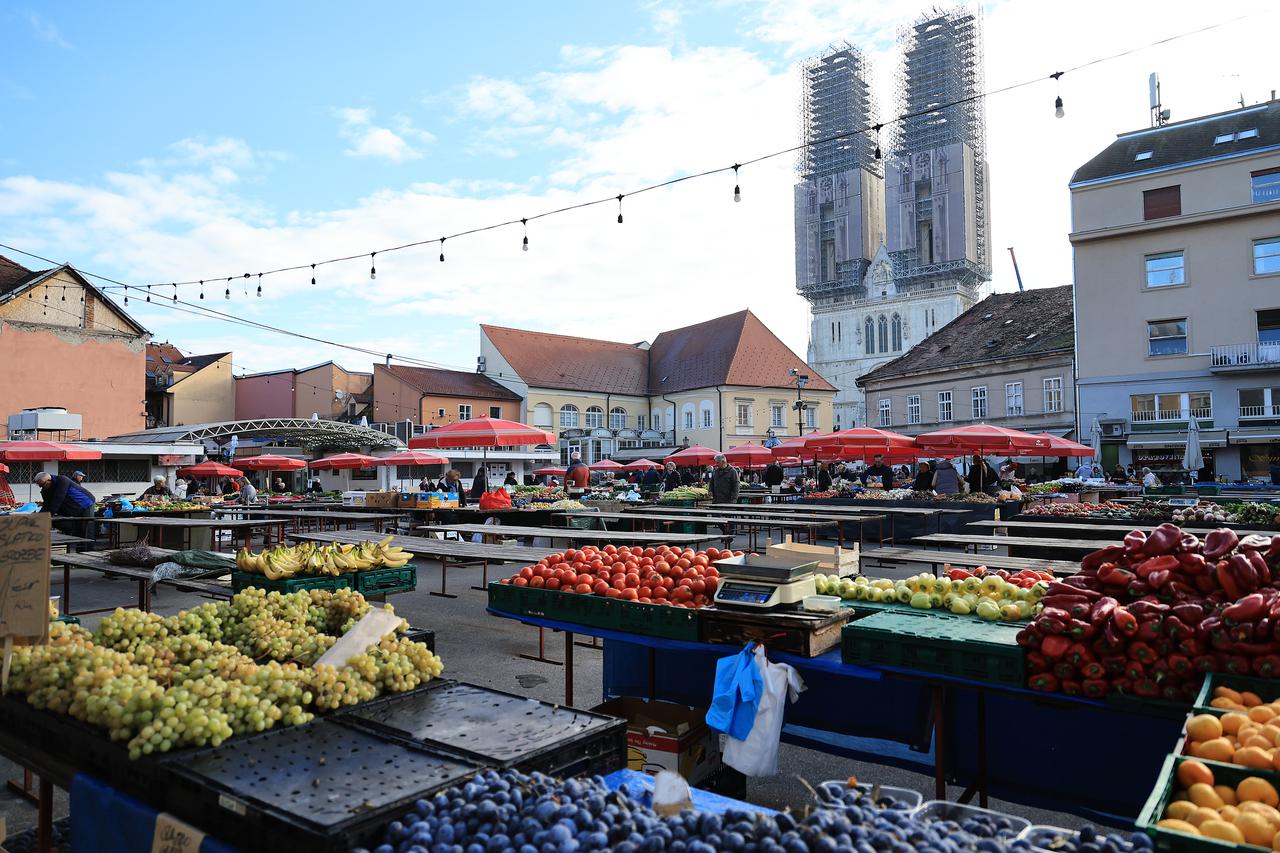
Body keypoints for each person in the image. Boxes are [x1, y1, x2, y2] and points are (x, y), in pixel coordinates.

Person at [710, 455, 740, 533]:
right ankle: (725, 531)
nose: (716, 464)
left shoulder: (732, 471)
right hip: (717, 499)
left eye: (717, 462)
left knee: (730, 519)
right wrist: (710, 491)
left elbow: (736, 485)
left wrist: (734, 499)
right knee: (715, 517)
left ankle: (730, 536)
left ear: (723, 462)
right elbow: (711, 483)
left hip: (728, 499)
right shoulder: (716, 471)